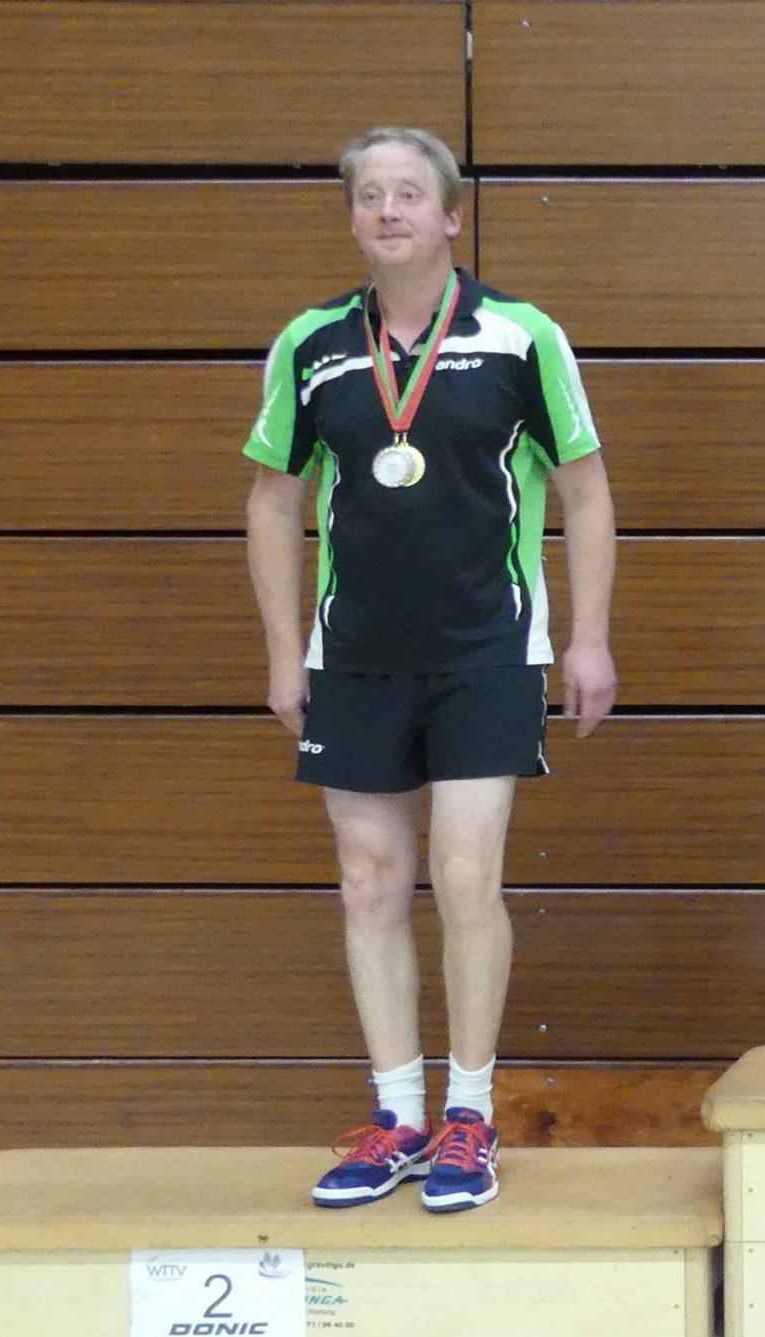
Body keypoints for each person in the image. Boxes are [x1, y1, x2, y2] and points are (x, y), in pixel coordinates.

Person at [242, 126, 618, 1210]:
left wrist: (589, 637)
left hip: (486, 651)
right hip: (355, 657)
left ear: (452, 216)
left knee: (462, 876)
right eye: (371, 196)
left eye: (410, 194)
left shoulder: (520, 336)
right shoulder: (311, 345)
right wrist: (283, 653)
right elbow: (271, 501)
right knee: (368, 880)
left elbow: (586, 490)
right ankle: (398, 1116)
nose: (389, 211)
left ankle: (470, 1115)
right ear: (354, 219)